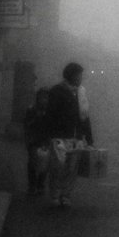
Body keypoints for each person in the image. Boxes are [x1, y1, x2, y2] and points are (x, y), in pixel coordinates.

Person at [45, 62, 93, 207]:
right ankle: (54, 194)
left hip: (76, 136)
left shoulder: (81, 92)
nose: (80, 78)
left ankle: (66, 195)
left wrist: (89, 138)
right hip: (59, 136)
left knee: (72, 169)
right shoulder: (57, 91)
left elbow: (85, 116)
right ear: (70, 75)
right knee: (57, 166)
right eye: (78, 75)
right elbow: (50, 114)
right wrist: (48, 134)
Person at [23, 87, 52, 195]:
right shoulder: (32, 110)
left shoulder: (50, 111)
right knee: (32, 162)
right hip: (33, 139)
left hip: (45, 139)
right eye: (42, 97)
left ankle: (40, 184)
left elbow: (51, 126)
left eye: (46, 97)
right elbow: (27, 125)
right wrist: (36, 118)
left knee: (44, 163)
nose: (44, 99)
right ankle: (32, 185)